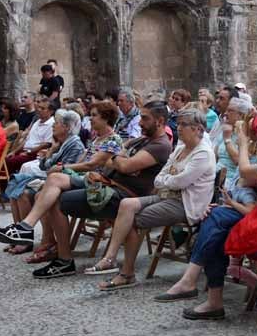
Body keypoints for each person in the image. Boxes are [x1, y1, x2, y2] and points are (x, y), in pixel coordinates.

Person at [157, 114, 257, 318]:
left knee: (215, 231)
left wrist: (243, 142)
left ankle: (201, 290)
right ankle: (203, 293)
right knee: (216, 221)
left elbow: (244, 171)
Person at [0, 101, 170, 278]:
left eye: (145, 119)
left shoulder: (160, 145)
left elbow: (122, 165)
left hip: (120, 195)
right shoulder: (141, 140)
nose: (139, 123)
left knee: (55, 197)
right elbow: (117, 160)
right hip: (105, 184)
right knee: (52, 183)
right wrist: (118, 159)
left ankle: (61, 257)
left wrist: (116, 159)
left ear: (160, 121)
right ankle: (30, 230)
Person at [85, 109, 216, 289]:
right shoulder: (180, 147)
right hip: (165, 196)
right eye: (178, 124)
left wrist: (168, 180)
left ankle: (126, 273)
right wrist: (169, 180)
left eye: (183, 125)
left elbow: (180, 181)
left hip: (185, 204)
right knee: (126, 204)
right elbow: (161, 177)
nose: (178, 128)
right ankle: (110, 257)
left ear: (197, 129)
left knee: (129, 221)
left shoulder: (203, 153)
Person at [4, 109, 86, 253]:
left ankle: (40, 238)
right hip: (52, 178)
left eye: (57, 123)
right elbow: (45, 165)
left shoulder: (74, 144)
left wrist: (50, 161)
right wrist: (51, 151)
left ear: (67, 127)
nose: (53, 126)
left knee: (24, 193)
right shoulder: (61, 143)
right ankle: (20, 236)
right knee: (15, 190)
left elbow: (61, 169)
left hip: (61, 181)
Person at [5, 97, 55, 174]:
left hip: (36, 154)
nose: (39, 110)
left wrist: (28, 152)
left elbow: (46, 144)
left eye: (43, 108)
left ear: (51, 111)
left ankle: (7, 184)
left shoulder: (52, 124)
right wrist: (14, 151)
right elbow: (26, 140)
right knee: (4, 159)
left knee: (8, 162)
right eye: (39, 107)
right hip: (26, 151)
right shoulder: (37, 122)